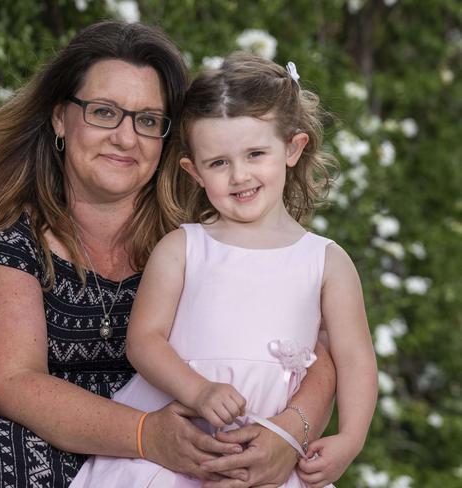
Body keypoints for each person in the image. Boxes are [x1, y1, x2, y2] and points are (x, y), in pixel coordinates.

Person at [0, 22, 337, 488]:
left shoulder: (208, 236)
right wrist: (146, 435)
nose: (125, 138)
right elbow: (10, 382)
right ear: (61, 117)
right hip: (46, 454)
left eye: (147, 120)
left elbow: (313, 350)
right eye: (103, 112)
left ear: (167, 138)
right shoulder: (10, 246)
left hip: (197, 452)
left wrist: (288, 434)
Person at [69, 53, 378, 488]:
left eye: (255, 153)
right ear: (194, 172)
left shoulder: (325, 261)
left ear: (293, 148)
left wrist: (350, 438)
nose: (239, 175)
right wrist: (198, 391)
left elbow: (355, 359)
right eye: (218, 163)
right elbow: (144, 340)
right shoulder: (183, 247)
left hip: (270, 455)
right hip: (175, 448)